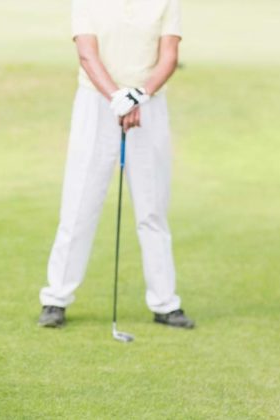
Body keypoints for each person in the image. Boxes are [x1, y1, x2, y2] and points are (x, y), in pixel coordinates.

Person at [37, 0, 195, 330]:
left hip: (149, 103)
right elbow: (87, 54)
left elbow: (169, 57)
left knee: (152, 209)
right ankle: (56, 299)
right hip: (96, 102)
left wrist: (139, 95)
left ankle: (165, 303)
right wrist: (117, 98)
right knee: (80, 204)